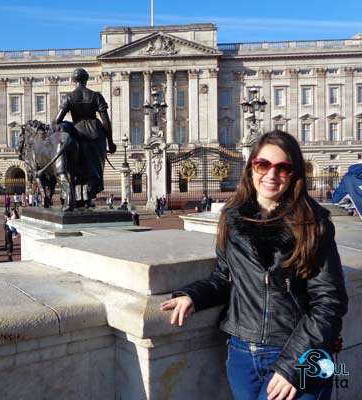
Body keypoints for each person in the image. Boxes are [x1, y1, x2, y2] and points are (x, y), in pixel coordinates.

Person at [160, 130, 348, 400]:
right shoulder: (233, 218)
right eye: (263, 165)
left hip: (300, 353)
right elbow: (225, 277)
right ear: (250, 169)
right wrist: (192, 295)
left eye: (283, 168)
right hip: (242, 355)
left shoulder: (313, 224)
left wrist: (294, 365)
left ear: (294, 174)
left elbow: (330, 301)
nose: (271, 175)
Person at [54, 67, 116, 208]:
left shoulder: (68, 97)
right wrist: (110, 142)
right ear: (87, 80)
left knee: (76, 168)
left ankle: (76, 198)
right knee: (93, 167)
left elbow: (57, 121)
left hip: (77, 133)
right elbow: (106, 121)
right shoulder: (96, 96)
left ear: (73, 80)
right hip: (96, 133)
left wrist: (68, 126)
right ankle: (88, 198)